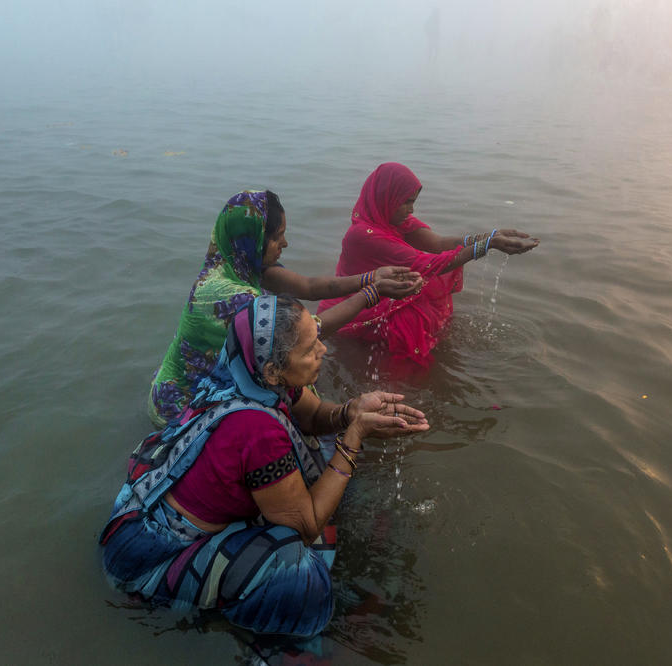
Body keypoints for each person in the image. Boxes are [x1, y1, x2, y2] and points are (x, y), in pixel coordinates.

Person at [101, 295, 429, 637]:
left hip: (145, 507)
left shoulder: (246, 372)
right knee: (298, 574)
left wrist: (351, 411)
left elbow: (316, 416)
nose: (323, 350)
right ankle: (256, 633)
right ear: (273, 371)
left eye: (317, 336)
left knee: (320, 450)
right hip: (148, 557)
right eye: (309, 349)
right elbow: (306, 526)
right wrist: (355, 437)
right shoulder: (257, 430)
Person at [148, 189, 423, 426]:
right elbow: (310, 331)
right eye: (278, 236)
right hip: (181, 406)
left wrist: (371, 277)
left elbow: (311, 287)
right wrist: (372, 294)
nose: (285, 244)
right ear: (254, 239)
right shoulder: (232, 297)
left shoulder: (237, 261)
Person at [317, 163, 538, 365]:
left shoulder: (393, 220)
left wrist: (488, 237)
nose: (411, 210)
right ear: (388, 197)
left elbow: (439, 243)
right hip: (350, 312)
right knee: (410, 318)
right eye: (407, 202)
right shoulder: (363, 235)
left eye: (413, 202)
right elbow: (429, 264)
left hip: (381, 294)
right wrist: (488, 245)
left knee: (419, 295)